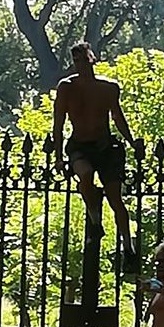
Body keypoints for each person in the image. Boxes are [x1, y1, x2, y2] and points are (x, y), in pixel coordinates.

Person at [53, 41, 141, 275]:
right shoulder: (66, 88)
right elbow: (58, 123)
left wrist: (132, 142)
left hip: (105, 146)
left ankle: (128, 249)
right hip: (80, 146)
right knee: (85, 174)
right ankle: (95, 218)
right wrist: (58, 156)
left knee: (116, 198)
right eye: (76, 61)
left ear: (91, 59)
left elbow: (118, 118)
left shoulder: (108, 88)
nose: (80, 65)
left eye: (83, 59)